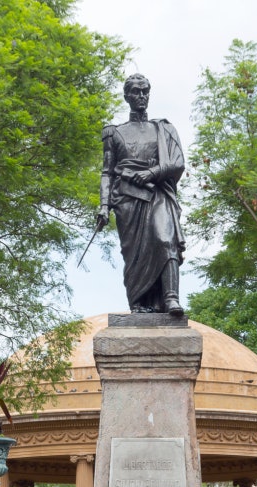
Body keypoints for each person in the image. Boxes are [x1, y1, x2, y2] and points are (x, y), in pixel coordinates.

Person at [96, 74, 187, 315]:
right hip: (127, 201)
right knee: (134, 255)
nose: (142, 96)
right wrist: (103, 206)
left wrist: (152, 173)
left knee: (165, 238)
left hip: (157, 194)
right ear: (127, 96)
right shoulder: (114, 133)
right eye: (136, 92)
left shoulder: (163, 129)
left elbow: (177, 163)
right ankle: (139, 303)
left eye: (145, 91)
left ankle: (170, 298)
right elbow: (107, 172)